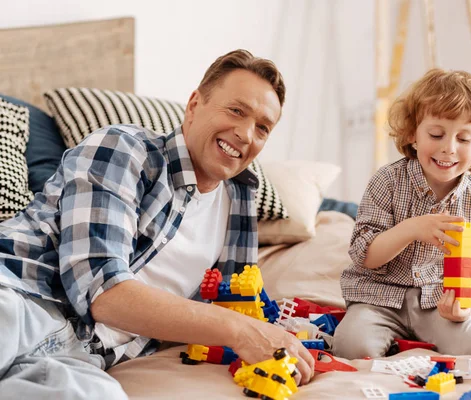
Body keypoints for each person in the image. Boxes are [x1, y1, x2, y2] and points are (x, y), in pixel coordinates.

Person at [0, 49, 314, 400]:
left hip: (81, 357)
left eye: (262, 128)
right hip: (22, 300)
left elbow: (236, 303)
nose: (245, 133)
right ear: (194, 104)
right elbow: (102, 291)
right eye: (236, 110)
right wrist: (240, 330)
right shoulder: (124, 149)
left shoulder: (241, 200)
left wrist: (289, 330)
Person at [333, 69, 471, 359]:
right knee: (352, 349)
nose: (448, 148)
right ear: (413, 134)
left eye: (464, 139)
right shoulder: (386, 182)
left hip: (439, 301)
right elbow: (364, 255)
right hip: (379, 298)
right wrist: (412, 228)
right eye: (436, 134)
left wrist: (466, 304)